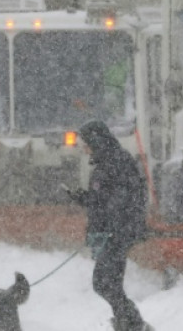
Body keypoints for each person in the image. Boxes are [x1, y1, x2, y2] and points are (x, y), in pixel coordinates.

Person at [67, 120, 152, 331]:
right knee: (108, 284)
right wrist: (84, 198)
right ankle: (128, 323)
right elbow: (104, 200)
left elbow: (121, 201)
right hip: (113, 232)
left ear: (96, 141)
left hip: (118, 233)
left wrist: (112, 226)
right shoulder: (107, 162)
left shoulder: (117, 162)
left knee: (104, 283)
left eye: (85, 143)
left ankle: (133, 323)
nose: (83, 148)